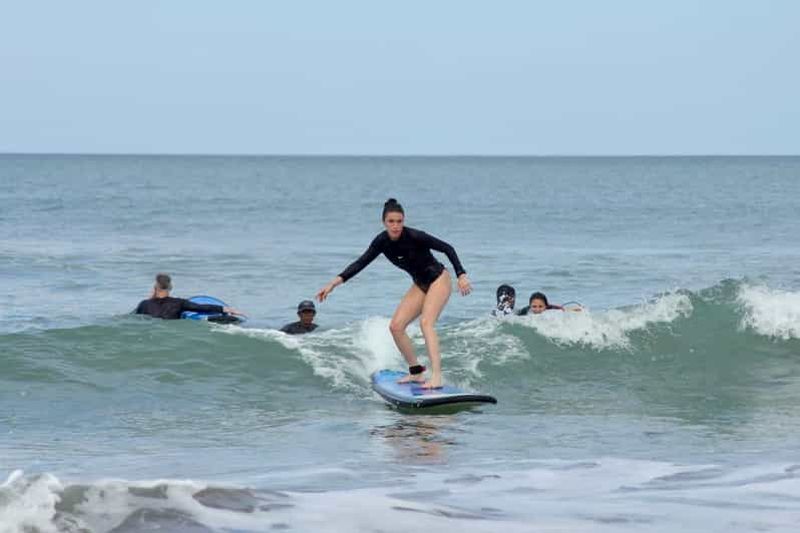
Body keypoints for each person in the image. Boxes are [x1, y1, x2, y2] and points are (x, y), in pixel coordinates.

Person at [316, 198, 471, 389]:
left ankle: (437, 376)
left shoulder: (415, 236)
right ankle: (416, 372)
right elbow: (360, 263)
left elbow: (448, 248)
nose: (396, 226)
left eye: (399, 221)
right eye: (391, 222)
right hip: (420, 284)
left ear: (403, 221)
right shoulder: (381, 242)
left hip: (439, 279)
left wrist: (461, 275)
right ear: (384, 222)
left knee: (426, 323)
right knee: (396, 327)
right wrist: (334, 283)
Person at [134, 273, 243, 320]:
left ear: (155, 287)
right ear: (170, 287)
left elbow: (134, 317)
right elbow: (201, 307)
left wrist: (150, 299)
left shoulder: (144, 304)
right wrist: (225, 309)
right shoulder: (179, 303)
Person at [517, 291, 582, 315]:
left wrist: (574, 310)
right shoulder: (525, 310)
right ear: (530, 306)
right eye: (534, 306)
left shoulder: (550, 308)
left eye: (540, 306)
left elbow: (562, 309)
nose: (537, 309)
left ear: (545, 306)